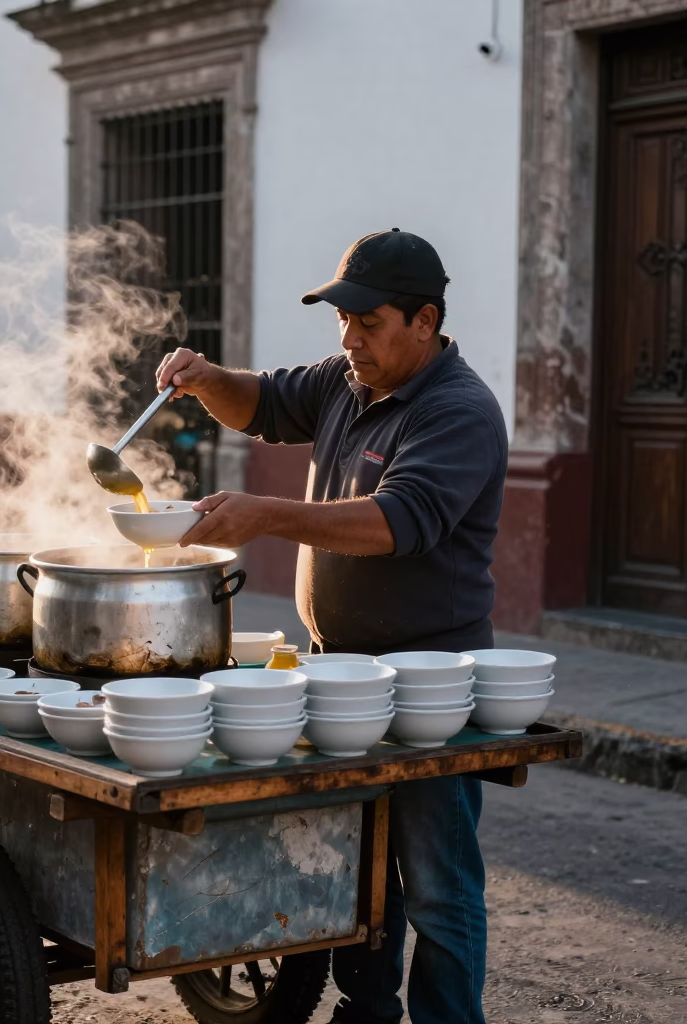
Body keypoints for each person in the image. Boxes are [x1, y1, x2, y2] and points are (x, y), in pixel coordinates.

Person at [155, 228, 507, 1024]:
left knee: (438, 886)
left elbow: (396, 521)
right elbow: (263, 402)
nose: (350, 339)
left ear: (424, 321)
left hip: (430, 686)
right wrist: (207, 380)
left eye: (369, 322)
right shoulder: (348, 381)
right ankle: (367, 1011)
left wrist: (264, 515)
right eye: (343, 320)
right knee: (359, 868)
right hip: (340, 670)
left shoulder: (458, 411)